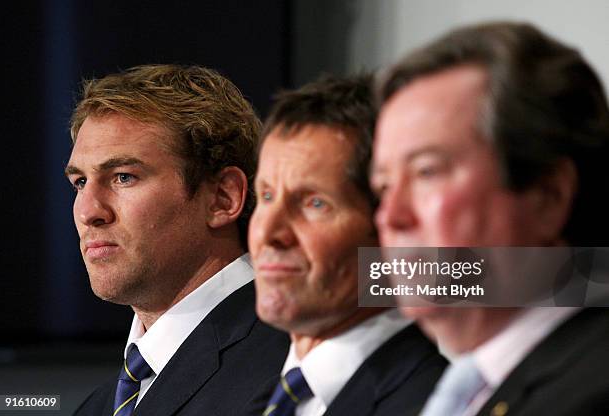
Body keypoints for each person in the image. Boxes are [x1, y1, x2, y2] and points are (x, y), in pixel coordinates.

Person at [372, 21, 609, 416]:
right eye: (382, 186)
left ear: (547, 195)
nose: (390, 216)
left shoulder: (592, 394)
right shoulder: (469, 386)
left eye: (426, 172)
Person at [65, 64, 289, 416]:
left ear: (223, 198)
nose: (88, 211)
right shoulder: (96, 407)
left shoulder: (292, 369)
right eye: (79, 182)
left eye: (123, 177)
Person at [248, 74, 446, 416]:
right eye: (266, 196)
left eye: (314, 203)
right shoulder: (251, 391)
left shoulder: (432, 404)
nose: (268, 232)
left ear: (389, 226)